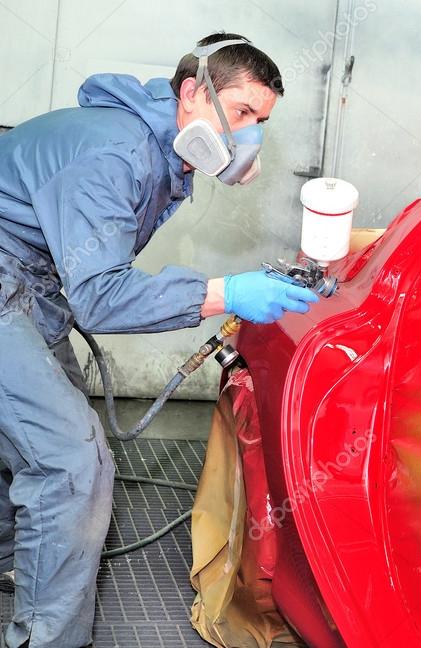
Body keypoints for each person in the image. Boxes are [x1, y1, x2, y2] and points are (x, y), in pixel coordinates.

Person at [0, 32, 319, 647]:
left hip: (26, 287)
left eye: (262, 123)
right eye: (245, 113)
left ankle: (24, 564)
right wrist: (226, 291)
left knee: (29, 440)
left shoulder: (157, 154)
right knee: (71, 460)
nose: (251, 137)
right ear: (193, 93)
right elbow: (98, 294)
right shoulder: (118, 152)